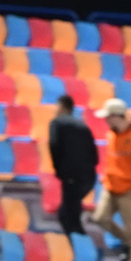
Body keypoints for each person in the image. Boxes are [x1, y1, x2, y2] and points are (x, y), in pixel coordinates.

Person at [94, 99, 131, 261]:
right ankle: (127, 242)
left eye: (108, 117)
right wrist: (106, 180)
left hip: (129, 191)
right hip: (111, 187)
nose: (105, 121)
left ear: (116, 116)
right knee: (100, 218)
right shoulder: (111, 135)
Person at [47, 93, 97, 240]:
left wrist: (59, 171)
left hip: (71, 176)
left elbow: (54, 147)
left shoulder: (57, 123)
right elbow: (94, 154)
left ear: (61, 107)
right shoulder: (83, 126)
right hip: (88, 176)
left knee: (69, 216)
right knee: (69, 212)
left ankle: (81, 248)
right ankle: (79, 245)